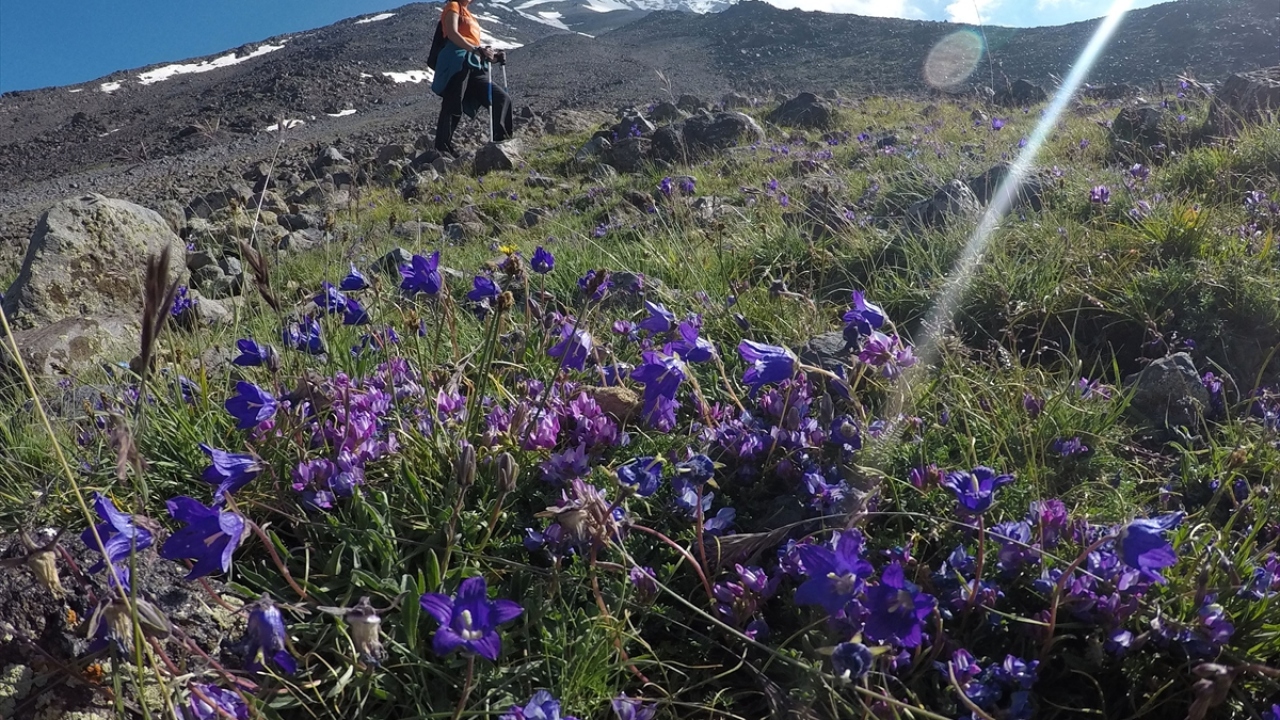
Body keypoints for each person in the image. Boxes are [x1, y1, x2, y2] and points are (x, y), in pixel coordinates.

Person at [431, 0, 513, 156]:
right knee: (452, 104)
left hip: (473, 64)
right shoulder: (453, 6)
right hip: (456, 62)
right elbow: (453, 34)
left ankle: (503, 142)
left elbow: (474, 46)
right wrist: (476, 50)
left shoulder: (470, 16)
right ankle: (442, 150)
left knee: (501, 98)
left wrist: (494, 56)